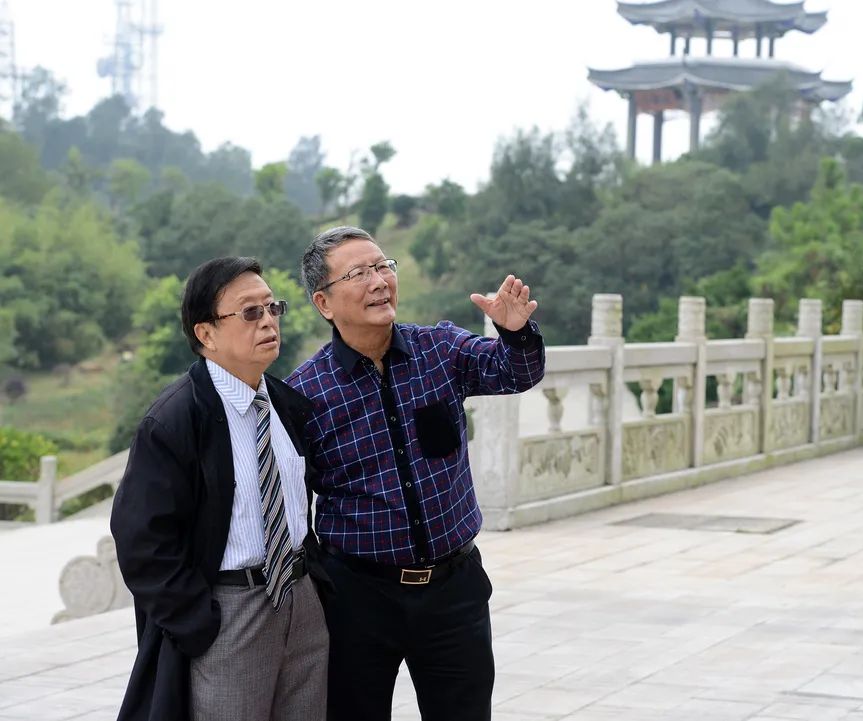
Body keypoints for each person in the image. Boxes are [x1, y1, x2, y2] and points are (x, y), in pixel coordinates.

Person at [287, 226, 545, 721]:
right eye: (359, 273)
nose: (378, 281)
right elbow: (295, 504)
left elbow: (515, 373)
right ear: (324, 302)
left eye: (383, 266)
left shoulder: (439, 350)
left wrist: (515, 333)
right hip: (359, 598)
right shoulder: (306, 393)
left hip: (453, 590)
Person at [111, 257, 330, 721]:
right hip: (230, 611)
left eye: (273, 308)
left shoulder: (286, 405)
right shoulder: (175, 419)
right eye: (250, 312)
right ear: (206, 333)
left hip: (300, 601)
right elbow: (141, 541)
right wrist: (198, 622)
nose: (268, 321)